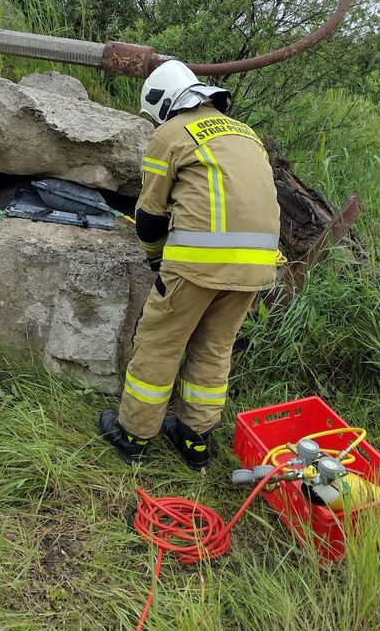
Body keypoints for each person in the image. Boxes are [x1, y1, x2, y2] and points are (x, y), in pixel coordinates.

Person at [99, 60, 280, 470]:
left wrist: (154, 257)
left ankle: (133, 436)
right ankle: (194, 440)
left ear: (164, 103)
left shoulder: (170, 133)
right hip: (256, 266)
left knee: (160, 344)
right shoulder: (245, 133)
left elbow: (149, 216)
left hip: (197, 263)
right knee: (215, 348)